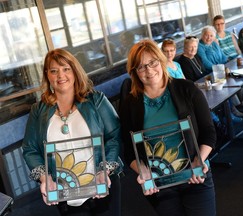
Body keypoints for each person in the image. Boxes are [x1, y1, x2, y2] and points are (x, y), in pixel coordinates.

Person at [120, 39, 216, 216]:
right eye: (141, 67)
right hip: (160, 185)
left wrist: (199, 160)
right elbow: (128, 149)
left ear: (161, 61)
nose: (149, 70)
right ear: (134, 72)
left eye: (152, 63)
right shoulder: (129, 104)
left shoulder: (187, 89)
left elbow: (208, 132)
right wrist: (143, 172)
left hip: (195, 177)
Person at [22, 48, 122, 216]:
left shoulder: (96, 100)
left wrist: (105, 171)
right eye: (54, 71)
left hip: (102, 184)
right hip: (65, 193)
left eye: (66, 69)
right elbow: (30, 149)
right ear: (47, 75)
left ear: (75, 71)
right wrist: (45, 178)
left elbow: (114, 137)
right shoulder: (38, 110)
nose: (60, 76)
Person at [213, 15, 243, 108]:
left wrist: (241, 57)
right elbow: (220, 54)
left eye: (222, 23)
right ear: (214, 25)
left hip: (236, 59)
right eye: (217, 24)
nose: (220, 26)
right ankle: (241, 102)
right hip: (227, 62)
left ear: (225, 24)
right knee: (237, 77)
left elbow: (237, 49)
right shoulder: (215, 38)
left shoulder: (229, 34)